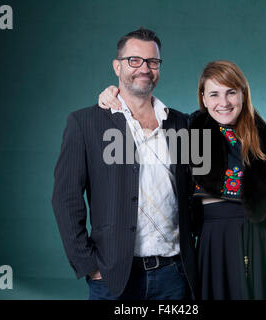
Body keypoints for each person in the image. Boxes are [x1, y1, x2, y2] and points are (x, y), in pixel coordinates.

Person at [98, 60, 266, 300]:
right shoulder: (190, 134)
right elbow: (143, 114)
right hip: (213, 256)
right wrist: (113, 93)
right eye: (214, 94)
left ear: (244, 94)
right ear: (204, 98)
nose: (224, 102)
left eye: (231, 92)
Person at [52, 28, 197, 300]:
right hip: (114, 278)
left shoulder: (182, 124)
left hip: (175, 277)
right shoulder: (85, 123)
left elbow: (194, 190)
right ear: (117, 66)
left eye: (152, 62)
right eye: (134, 60)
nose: (144, 68)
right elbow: (65, 198)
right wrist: (90, 265)